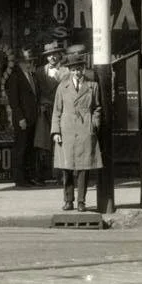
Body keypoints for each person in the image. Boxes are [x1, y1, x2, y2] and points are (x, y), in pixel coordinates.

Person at [50, 46, 102, 213]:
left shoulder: (92, 86)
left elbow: (97, 108)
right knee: (67, 167)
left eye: (79, 69)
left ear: (83, 69)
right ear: (69, 70)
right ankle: (68, 200)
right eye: (74, 70)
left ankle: (81, 201)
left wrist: (94, 123)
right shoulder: (62, 87)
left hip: (85, 129)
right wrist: (56, 131)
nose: (77, 72)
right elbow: (57, 110)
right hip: (67, 130)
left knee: (83, 168)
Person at [3, 48, 41, 187]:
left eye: (30, 61)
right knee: (21, 148)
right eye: (27, 61)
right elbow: (14, 100)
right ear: (20, 62)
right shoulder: (15, 77)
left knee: (29, 148)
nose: (29, 63)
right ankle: (19, 178)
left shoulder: (31, 75)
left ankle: (28, 177)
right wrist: (20, 118)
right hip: (23, 119)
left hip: (32, 117)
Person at [33, 41, 62, 185]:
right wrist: (40, 105)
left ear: (59, 55)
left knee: (60, 143)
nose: (52, 57)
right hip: (44, 111)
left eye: (55, 54)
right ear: (46, 57)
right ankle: (42, 176)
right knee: (42, 144)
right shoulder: (39, 72)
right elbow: (35, 92)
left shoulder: (66, 71)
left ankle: (60, 176)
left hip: (60, 111)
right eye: (49, 55)